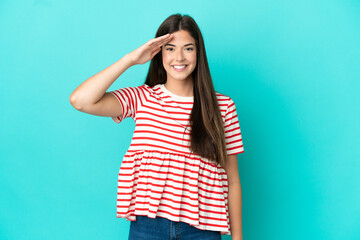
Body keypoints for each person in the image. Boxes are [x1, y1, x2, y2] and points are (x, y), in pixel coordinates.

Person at [69, 13, 245, 240]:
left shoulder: (223, 106)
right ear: (158, 53)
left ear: (199, 53)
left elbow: (232, 180)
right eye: (170, 48)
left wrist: (238, 238)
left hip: (203, 229)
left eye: (188, 48)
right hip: (148, 226)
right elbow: (80, 100)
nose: (179, 57)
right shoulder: (142, 98)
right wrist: (130, 59)